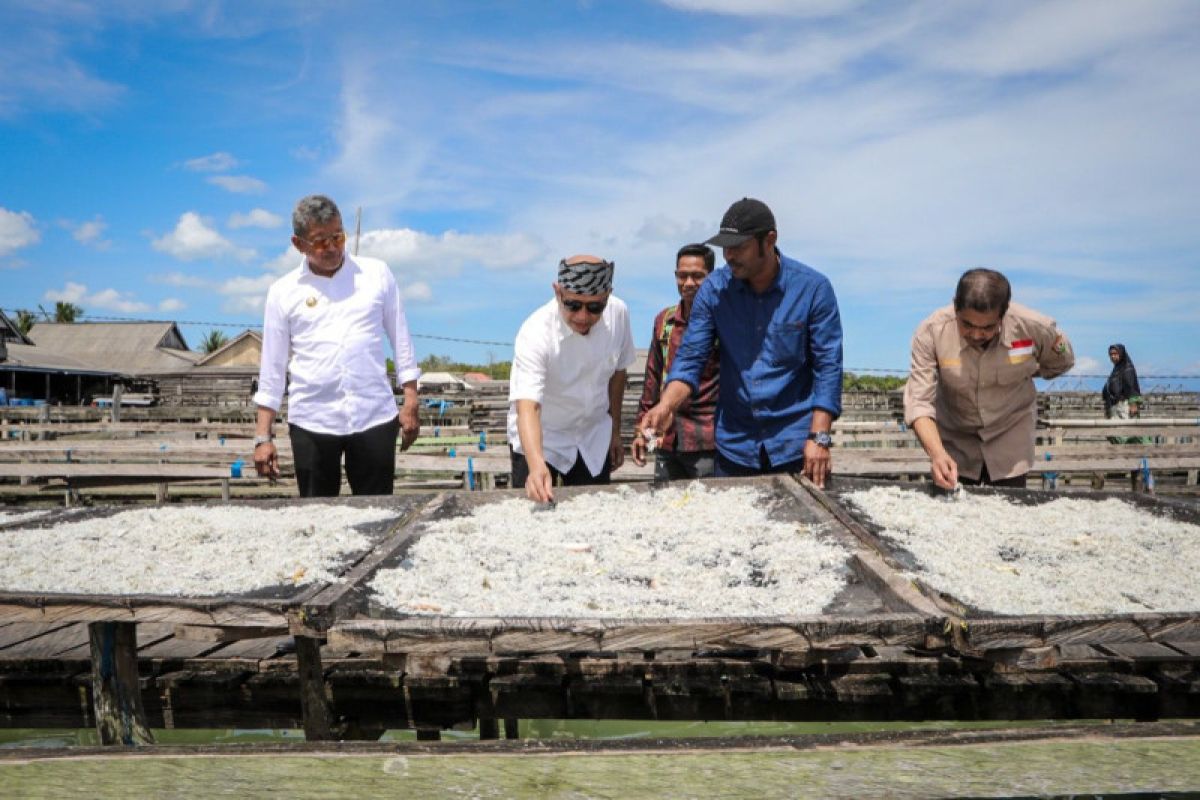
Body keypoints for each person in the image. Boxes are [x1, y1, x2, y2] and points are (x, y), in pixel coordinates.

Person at [640, 198, 843, 486]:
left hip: (796, 444)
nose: (729, 256)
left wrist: (819, 437)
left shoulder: (813, 289)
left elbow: (828, 368)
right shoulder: (715, 290)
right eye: (725, 247)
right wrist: (666, 406)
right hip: (735, 447)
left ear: (769, 240)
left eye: (739, 247)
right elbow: (690, 358)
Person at [252, 194, 421, 496]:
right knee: (318, 517)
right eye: (320, 241)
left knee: (378, 512)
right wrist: (262, 436)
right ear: (298, 244)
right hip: (312, 420)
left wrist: (410, 400)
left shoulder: (376, 274)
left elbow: (402, 339)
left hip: (374, 416)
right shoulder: (282, 292)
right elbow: (273, 369)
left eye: (337, 237)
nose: (331, 247)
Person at [904, 268, 1074, 490]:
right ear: (955, 307)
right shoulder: (930, 332)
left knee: (1009, 512)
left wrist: (1028, 371)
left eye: (987, 327)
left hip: (1010, 440)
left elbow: (1061, 361)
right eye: (966, 324)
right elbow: (919, 402)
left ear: (1003, 314)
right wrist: (937, 454)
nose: (976, 334)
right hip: (956, 443)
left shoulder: (1034, 327)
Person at [508, 255, 636, 503]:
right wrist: (536, 465)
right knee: (534, 518)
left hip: (592, 436)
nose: (583, 316)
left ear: (608, 296)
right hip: (543, 439)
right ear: (558, 292)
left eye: (595, 307)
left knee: (595, 513)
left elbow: (618, 373)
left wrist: (615, 431)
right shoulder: (535, 332)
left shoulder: (619, 314)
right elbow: (528, 406)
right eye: (573, 305)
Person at [632, 243, 720, 480]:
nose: (689, 283)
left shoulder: (722, 320)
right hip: (666, 438)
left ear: (711, 277)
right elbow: (652, 379)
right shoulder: (665, 321)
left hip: (708, 440)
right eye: (683, 276)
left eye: (698, 276)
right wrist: (642, 429)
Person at [1102, 343, 1145, 445]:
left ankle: (1142, 452)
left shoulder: (1127, 368)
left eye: (1115, 354)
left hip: (1125, 406)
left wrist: (1133, 404)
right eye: (1111, 354)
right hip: (1116, 407)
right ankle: (1124, 453)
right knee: (1115, 431)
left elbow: (1131, 385)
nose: (1113, 356)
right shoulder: (1116, 369)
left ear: (1121, 354)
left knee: (1128, 432)